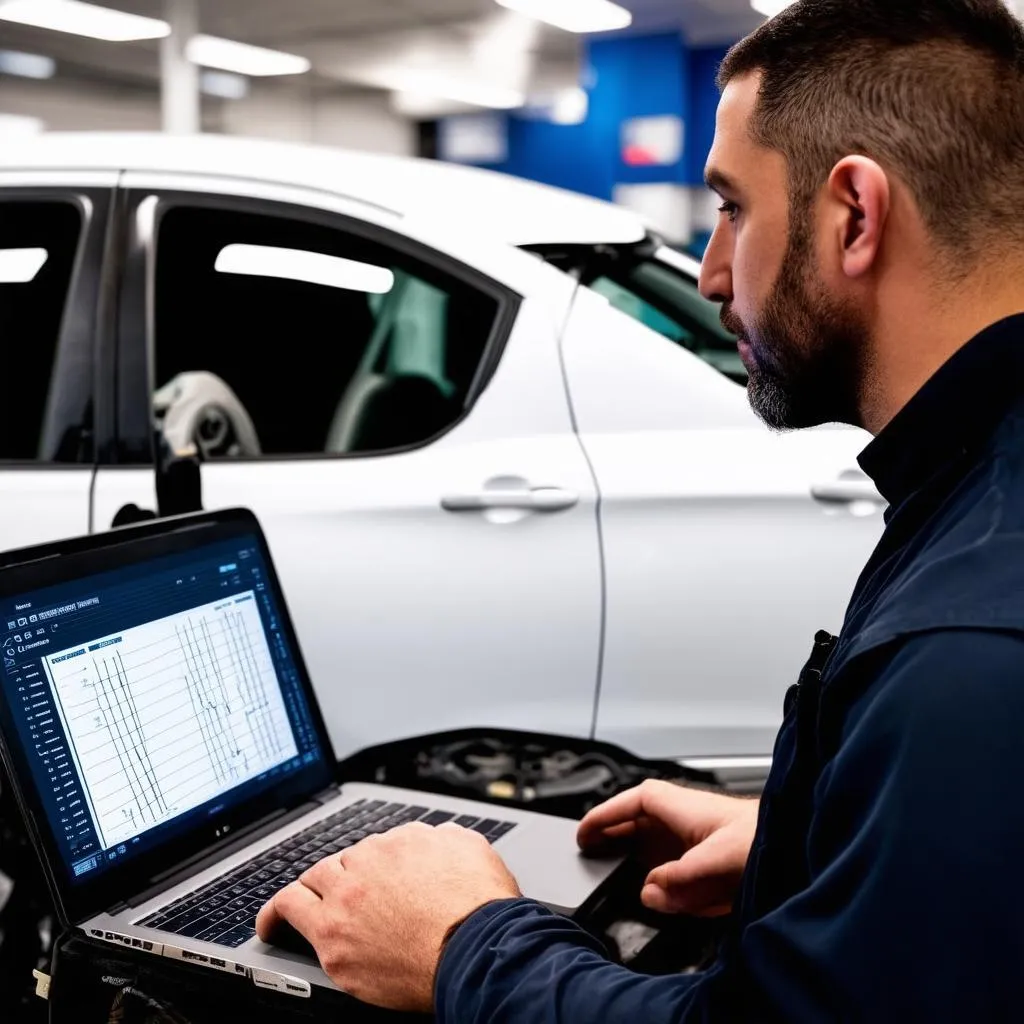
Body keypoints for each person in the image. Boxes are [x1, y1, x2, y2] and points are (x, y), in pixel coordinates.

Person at [255, 0, 1024, 1018]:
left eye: (732, 209)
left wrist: (464, 946)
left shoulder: (967, 643)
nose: (710, 270)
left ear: (853, 216)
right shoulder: (974, 488)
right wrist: (814, 843)